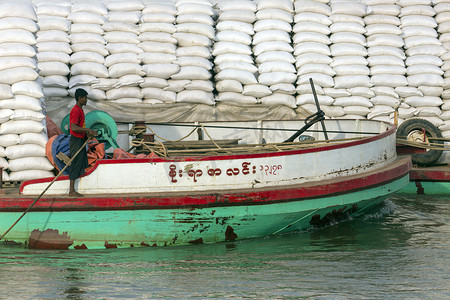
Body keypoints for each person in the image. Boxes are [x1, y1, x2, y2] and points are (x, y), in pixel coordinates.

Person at [69, 88, 97, 197]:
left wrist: (87, 135)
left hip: (80, 140)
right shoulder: (76, 110)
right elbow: (74, 127)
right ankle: (71, 191)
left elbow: (80, 127)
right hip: (75, 140)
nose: (86, 100)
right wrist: (88, 130)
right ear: (79, 98)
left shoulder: (80, 110)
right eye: (85, 98)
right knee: (75, 162)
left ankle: (75, 188)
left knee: (81, 162)